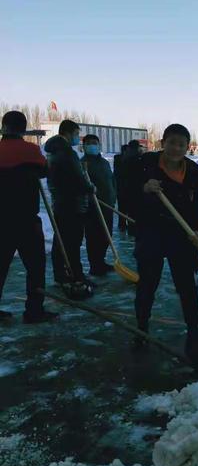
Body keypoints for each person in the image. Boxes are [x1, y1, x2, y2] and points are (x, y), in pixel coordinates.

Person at [134, 124, 198, 362]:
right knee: (147, 284)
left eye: (181, 144)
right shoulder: (145, 165)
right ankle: (141, 328)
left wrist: (196, 229)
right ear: (163, 142)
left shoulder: (193, 171)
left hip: (181, 234)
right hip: (151, 233)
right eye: (172, 142)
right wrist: (143, 189)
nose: (176, 148)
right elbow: (124, 194)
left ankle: (193, 331)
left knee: (188, 286)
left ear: (188, 146)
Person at [0, 111, 58, 323]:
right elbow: (45, 171)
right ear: (23, 129)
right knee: (35, 267)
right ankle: (34, 311)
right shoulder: (32, 151)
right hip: (26, 221)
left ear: (4, 127)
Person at [45, 120, 95, 296]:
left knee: (61, 242)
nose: (77, 138)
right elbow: (76, 179)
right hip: (71, 205)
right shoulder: (66, 152)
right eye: (76, 134)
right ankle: (75, 276)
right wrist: (89, 188)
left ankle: (63, 275)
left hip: (61, 203)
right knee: (72, 242)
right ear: (68, 132)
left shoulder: (54, 151)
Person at [81, 134, 116, 276]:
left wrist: (114, 196)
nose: (92, 145)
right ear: (83, 147)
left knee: (106, 235)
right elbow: (82, 185)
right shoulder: (82, 163)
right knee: (93, 237)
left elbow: (112, 180)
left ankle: (101, 261)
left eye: (94, 143)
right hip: (93, 207)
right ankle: (94, 265)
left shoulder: (105, 162)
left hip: (108, 205)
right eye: (88, 143)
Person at [124, 139, 146, 236]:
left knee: (131, 213)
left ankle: (132, 231)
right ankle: (135, 232)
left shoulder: (126, 158)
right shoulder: (136, 159)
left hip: (129, 191)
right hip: (137, 191)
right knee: (136, 214)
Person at [113, 144, 129, 232]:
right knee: (123, 207)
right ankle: (122, 224)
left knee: (123, 207)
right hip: (122, 188)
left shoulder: (119, 158)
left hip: (122, 188)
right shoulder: (119, 159)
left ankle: (122, 224)